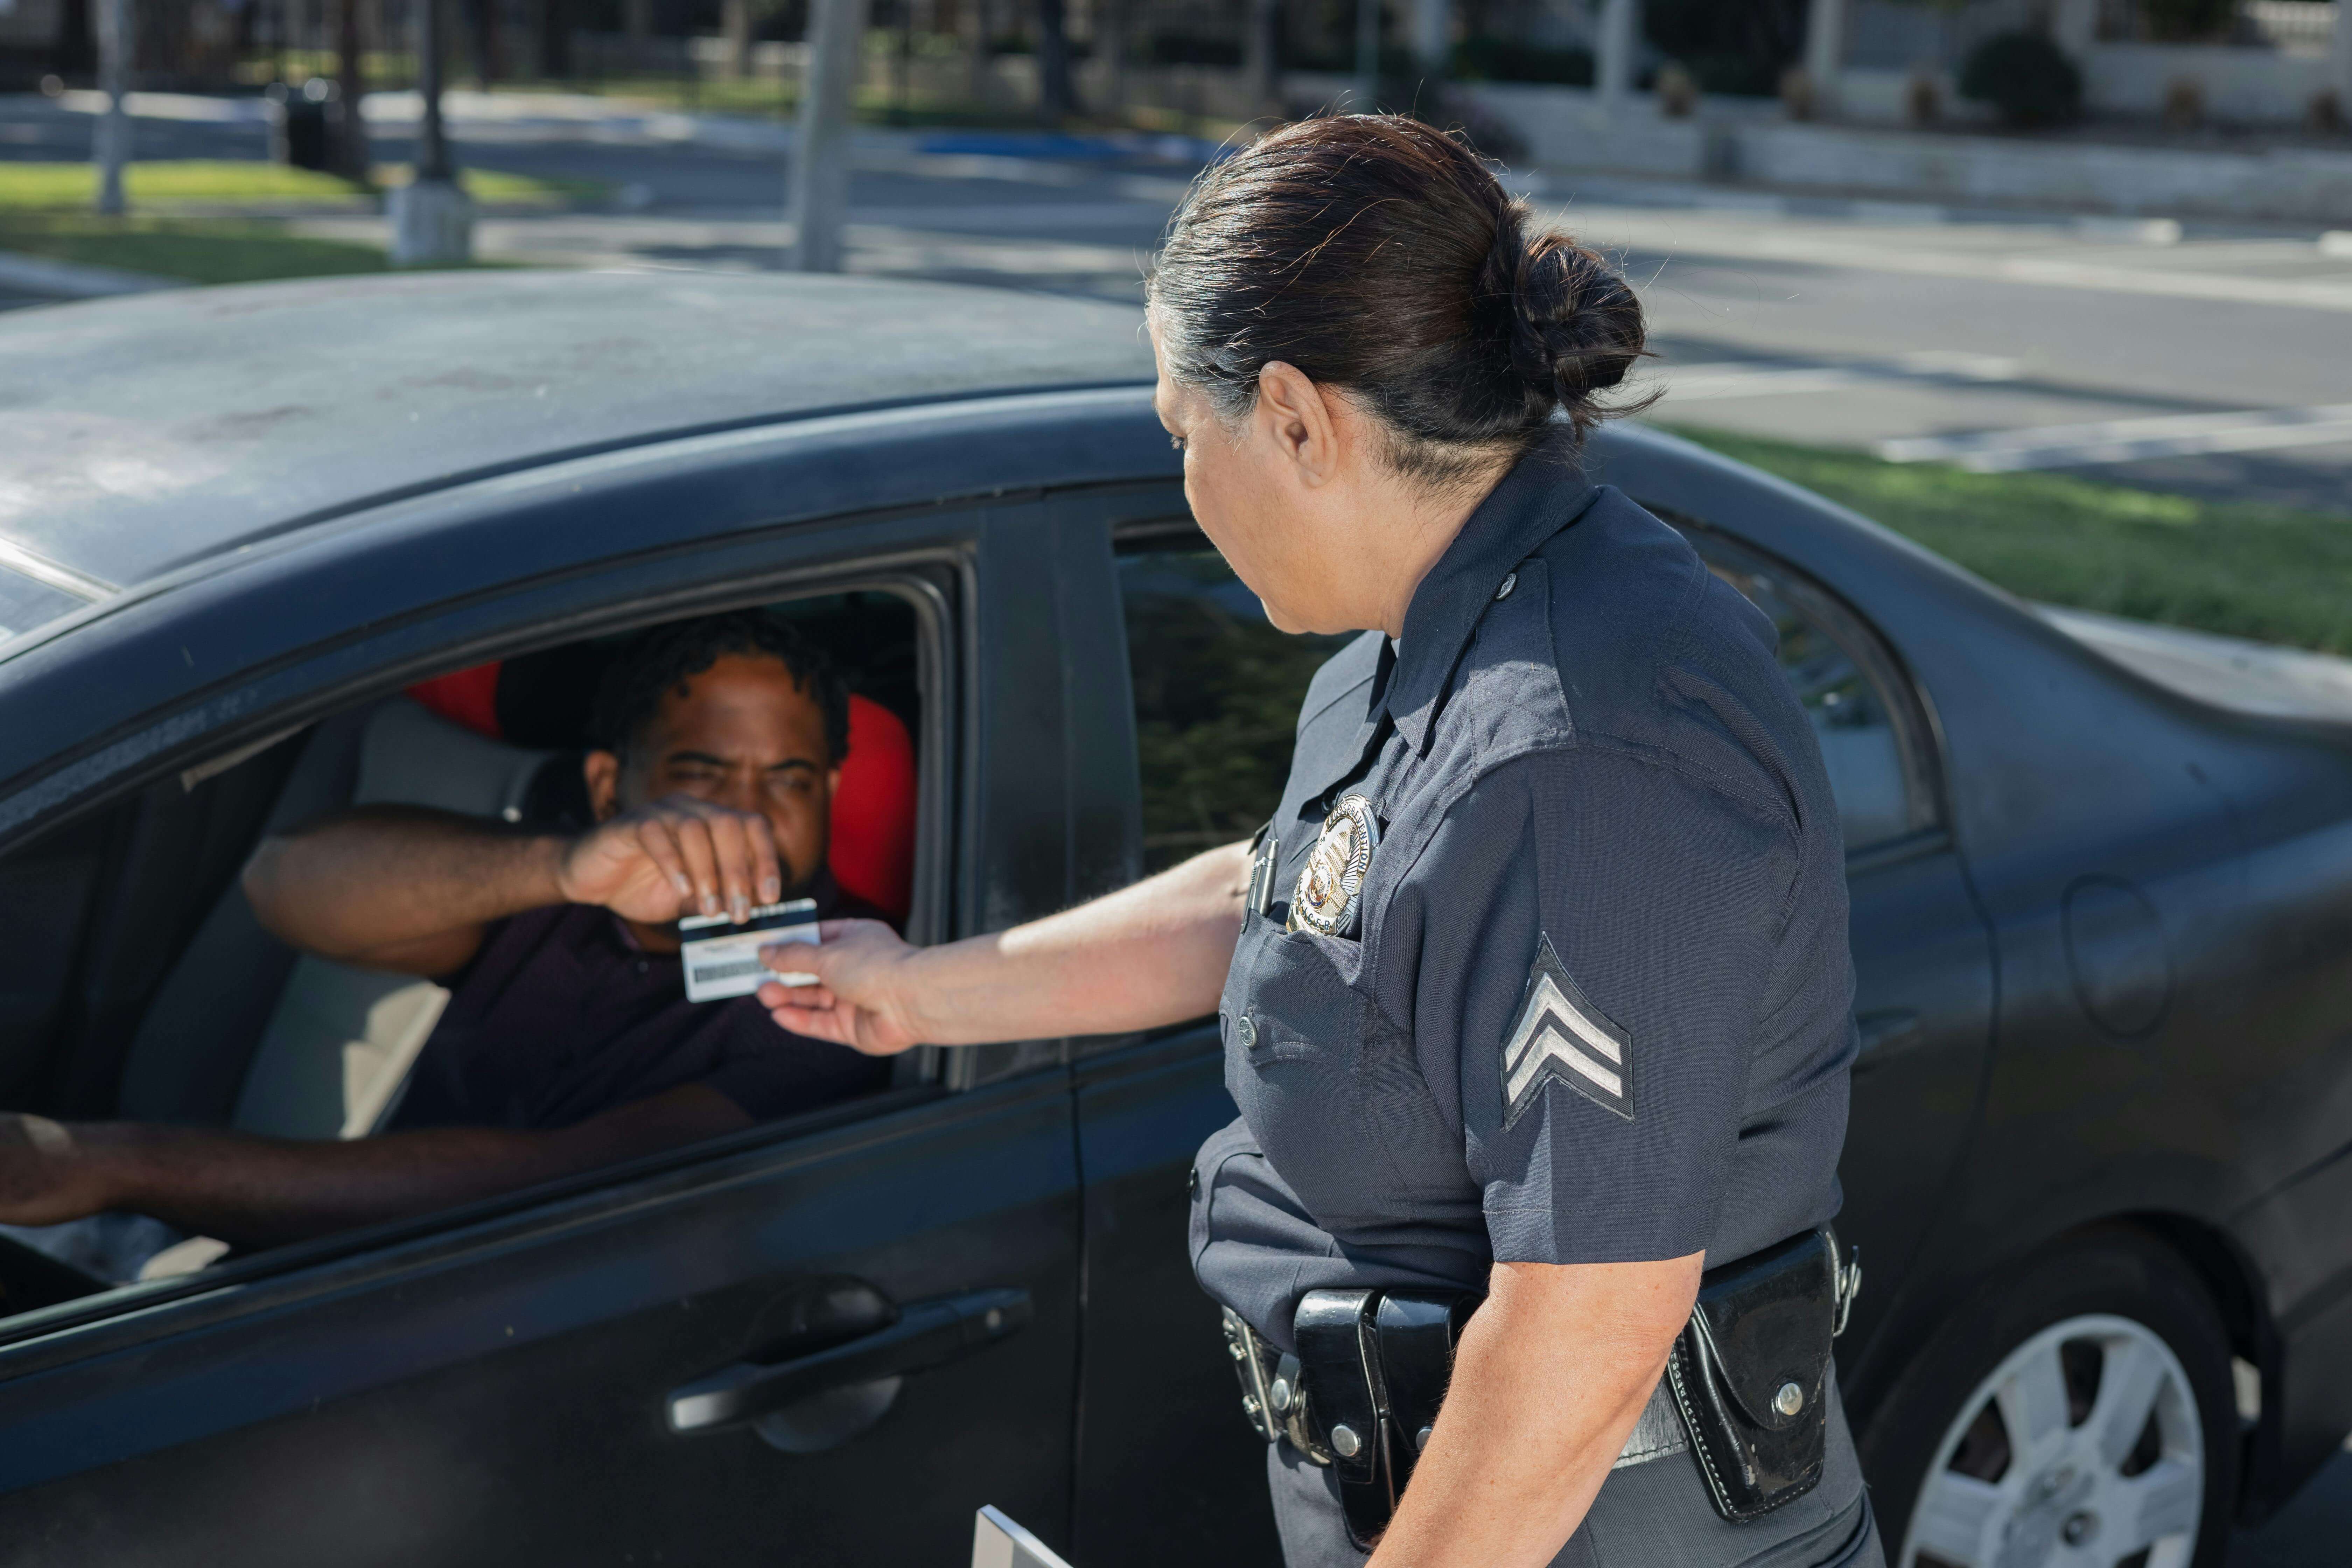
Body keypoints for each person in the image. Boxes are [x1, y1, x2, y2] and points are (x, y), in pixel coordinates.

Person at [755, 117, 1882, 1568]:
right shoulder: (1436, 625)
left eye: (1182, 432)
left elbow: (1586, 1319)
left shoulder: (1575, 753)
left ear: (1294, 416)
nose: (1182, 482)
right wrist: (916, 989)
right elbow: (1302, 896)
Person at [0, 611, 891, 1264]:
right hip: (318, 1284)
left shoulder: (840, 980)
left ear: (833, 790)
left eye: (789, 779)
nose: (739, 811)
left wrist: (112, 1161)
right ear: (610, 785)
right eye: (700, 770)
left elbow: (535, 1185)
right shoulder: (573, 882)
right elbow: (286, 885)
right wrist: (564, 867)